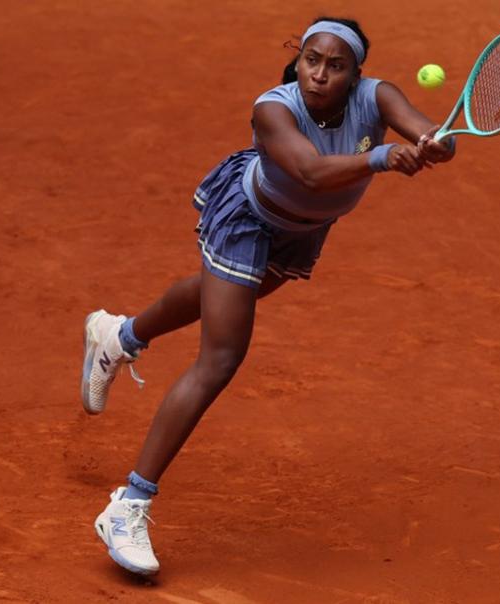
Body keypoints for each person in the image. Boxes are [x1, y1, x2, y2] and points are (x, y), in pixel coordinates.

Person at [80, 16, 455, 576]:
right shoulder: (273, 108)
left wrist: (436, 143)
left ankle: (121, 334)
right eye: (310, 60)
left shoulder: (377, 97)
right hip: (248, 217)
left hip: (302, 231)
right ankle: (130, 503)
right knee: (223, 355)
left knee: (228, 295)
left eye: (335, 66)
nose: (319, 75)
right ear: (298, 59)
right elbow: (307, 171)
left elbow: (427, 133)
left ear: (357, 74)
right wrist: (381, 158)